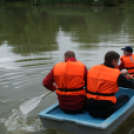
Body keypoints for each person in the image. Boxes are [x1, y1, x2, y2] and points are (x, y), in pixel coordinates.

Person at [86, 51, 134, 119]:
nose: (118, 64)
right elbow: (131, 85)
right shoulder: (118, 75)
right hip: (104, 111)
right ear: (113, 61)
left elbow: (104, 75)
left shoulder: (92, 69)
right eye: (117, 62)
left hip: (90, 108)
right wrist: (122, 74)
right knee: (125, 97)